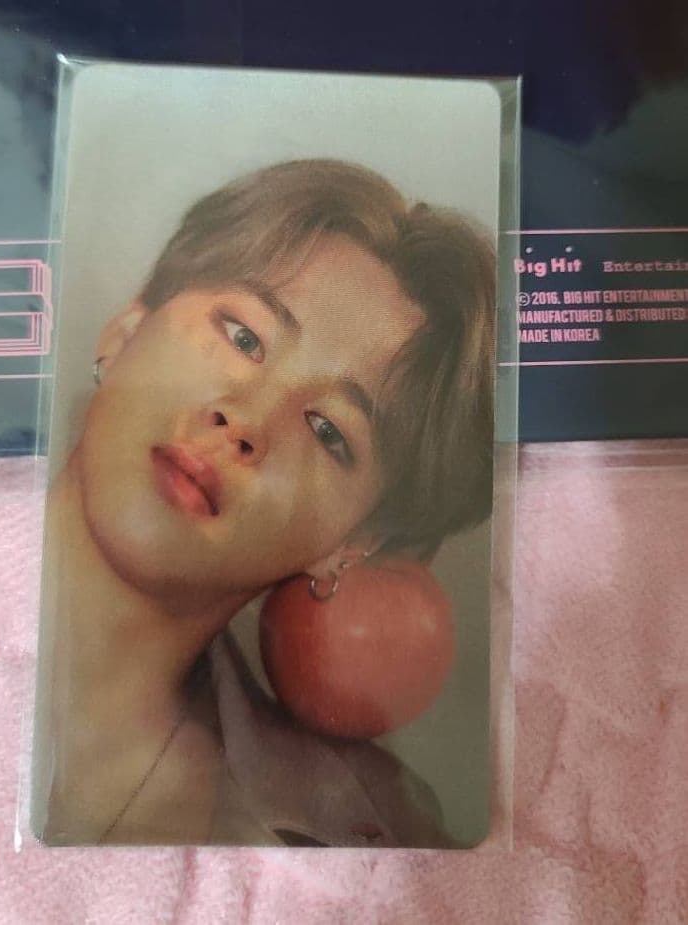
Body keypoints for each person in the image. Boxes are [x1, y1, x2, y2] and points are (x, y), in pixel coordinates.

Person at [31, 159, 495, 847]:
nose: (247, 421)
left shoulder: (377, 835)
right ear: (128, 327)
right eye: (244, 337)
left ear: (352, 542)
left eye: (329, 430)